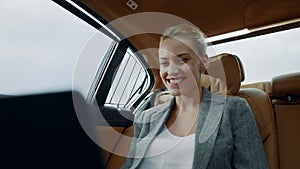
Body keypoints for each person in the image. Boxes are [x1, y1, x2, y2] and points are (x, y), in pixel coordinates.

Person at [121, 24, 268, 169]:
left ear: (203, 62)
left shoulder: (234, 110)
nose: (171, 70)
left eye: (183, 60)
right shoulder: (146, 118)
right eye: (164, 63)